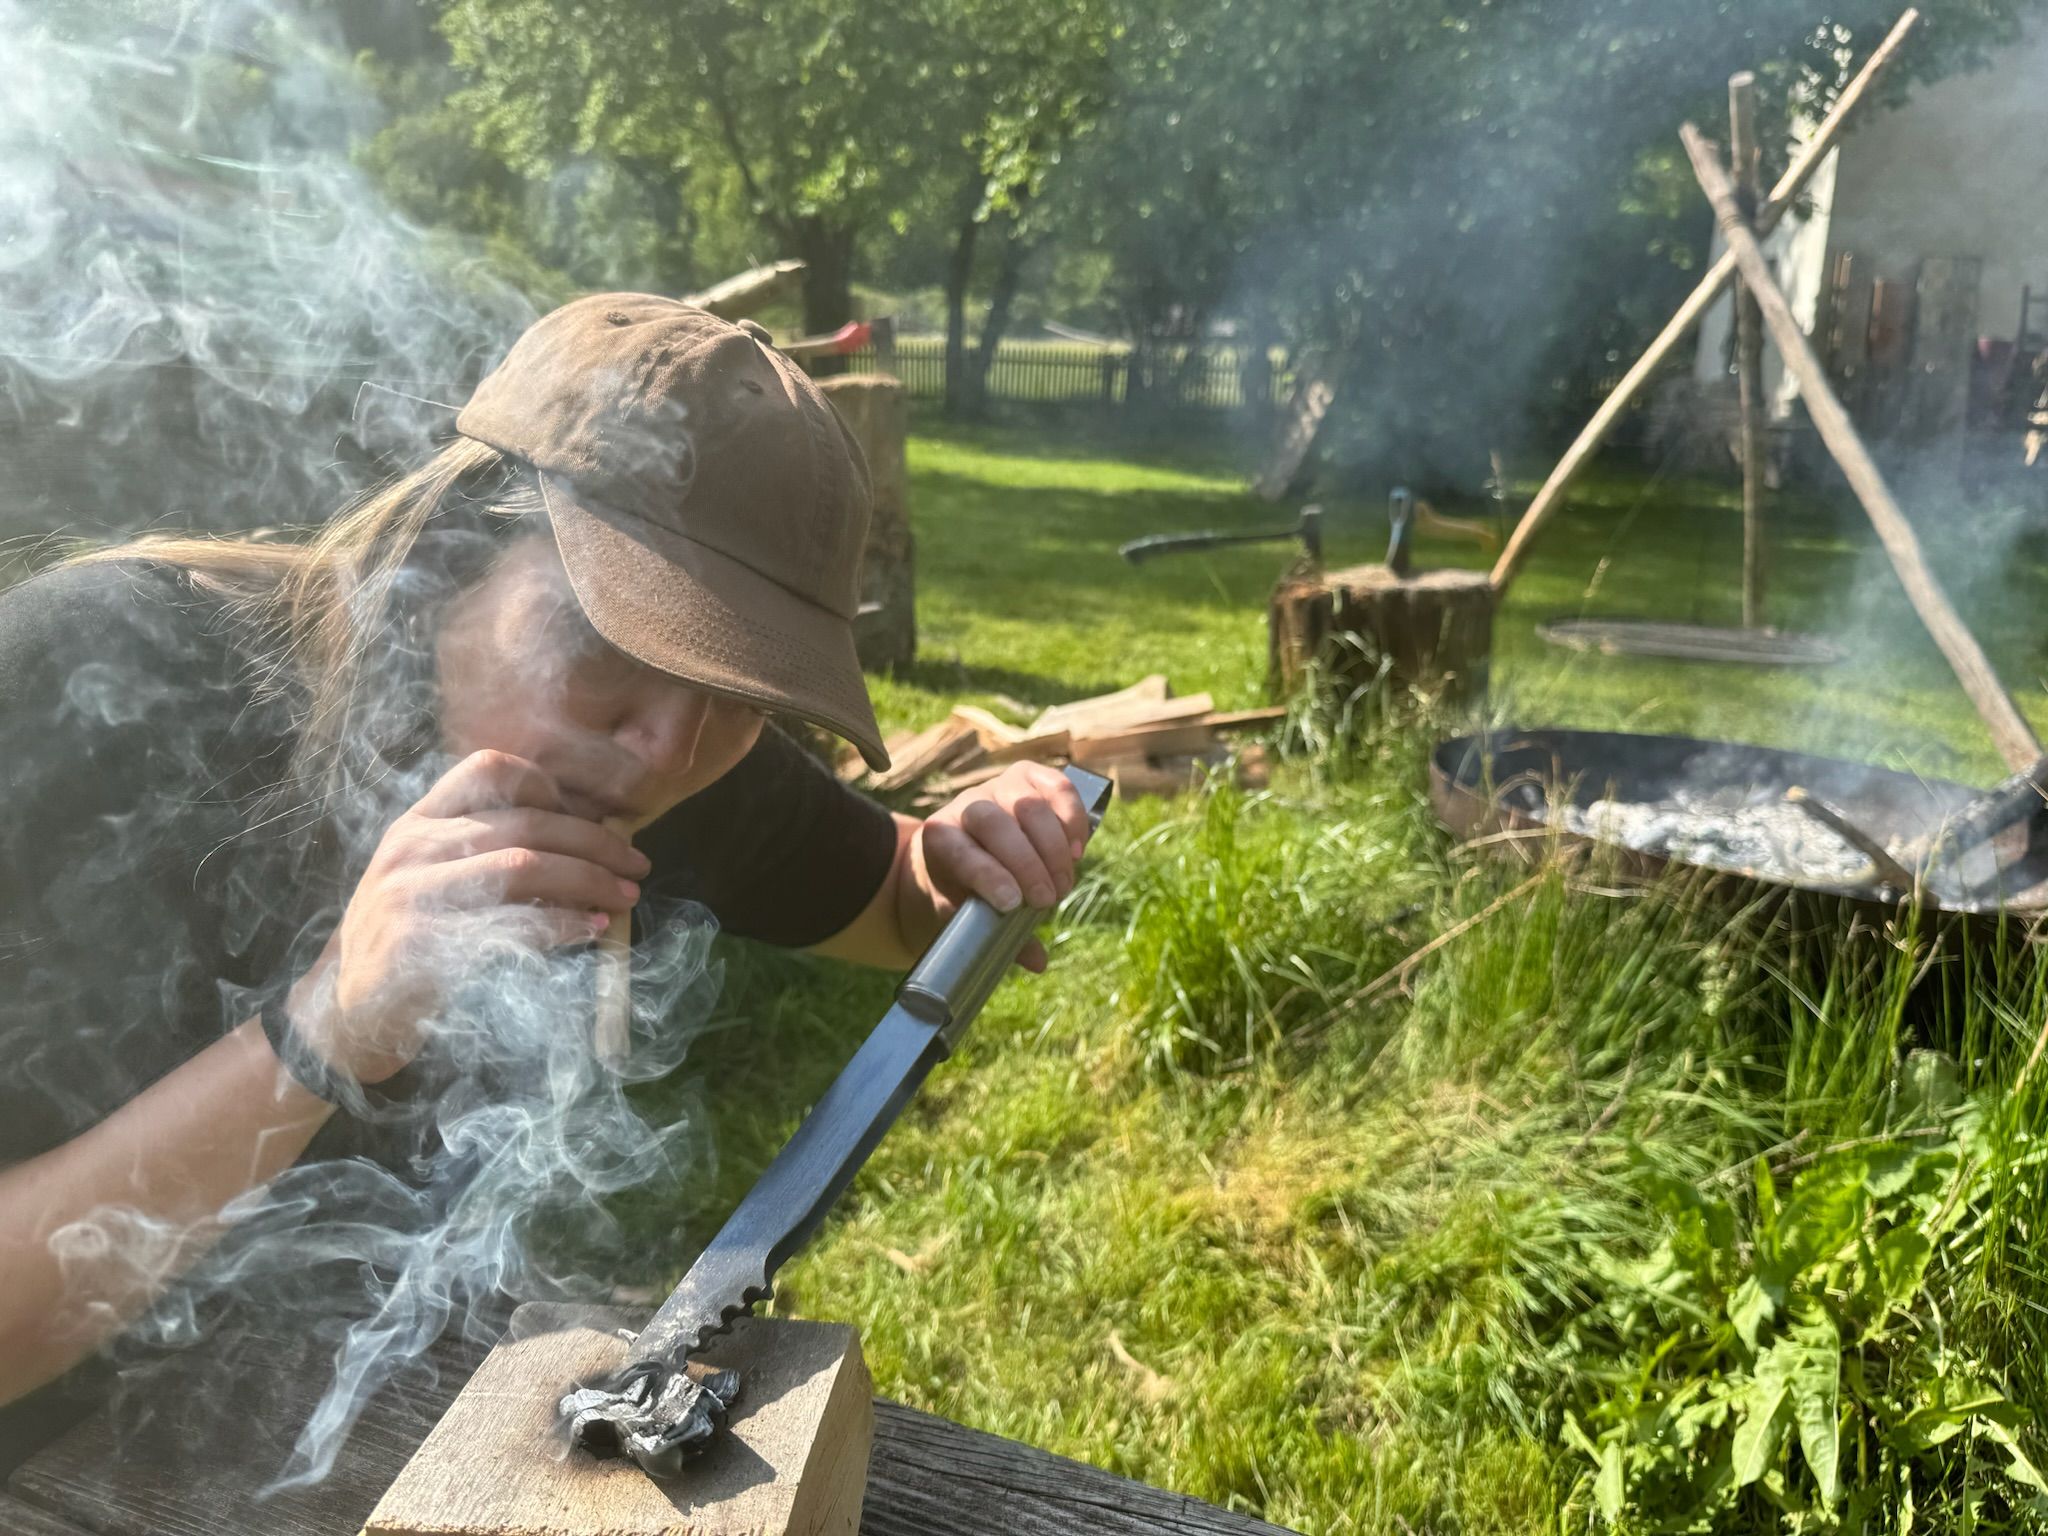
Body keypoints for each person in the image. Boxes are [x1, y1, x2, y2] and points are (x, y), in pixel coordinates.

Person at [0, 294, 1095, 1470]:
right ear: (451, 552)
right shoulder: (90, 689)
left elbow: (887, 898)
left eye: (740, 692)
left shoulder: (666, 762)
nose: (670, 748)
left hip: (356, 1424)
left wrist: (960, 858)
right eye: (610, 643)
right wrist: (327, 1026)